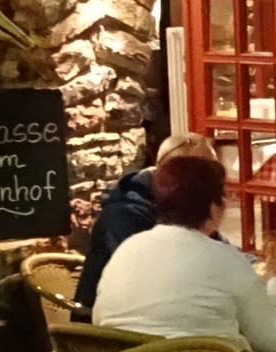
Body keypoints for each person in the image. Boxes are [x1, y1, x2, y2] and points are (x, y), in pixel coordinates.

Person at [90, 152, 276, 352]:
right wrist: (275, 278)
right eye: (225, 197)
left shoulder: (127, 250)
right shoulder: (225, 259)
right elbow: (272, 339)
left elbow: (100, 320)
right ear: (214, 209)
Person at [73, 131, 218, 315]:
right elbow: (155, 277)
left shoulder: (187, 207)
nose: (214, 183)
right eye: (204, 175)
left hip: (161, 316)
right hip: (106, 330)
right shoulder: (124, 214)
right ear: (174, 175)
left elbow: (216, 244)